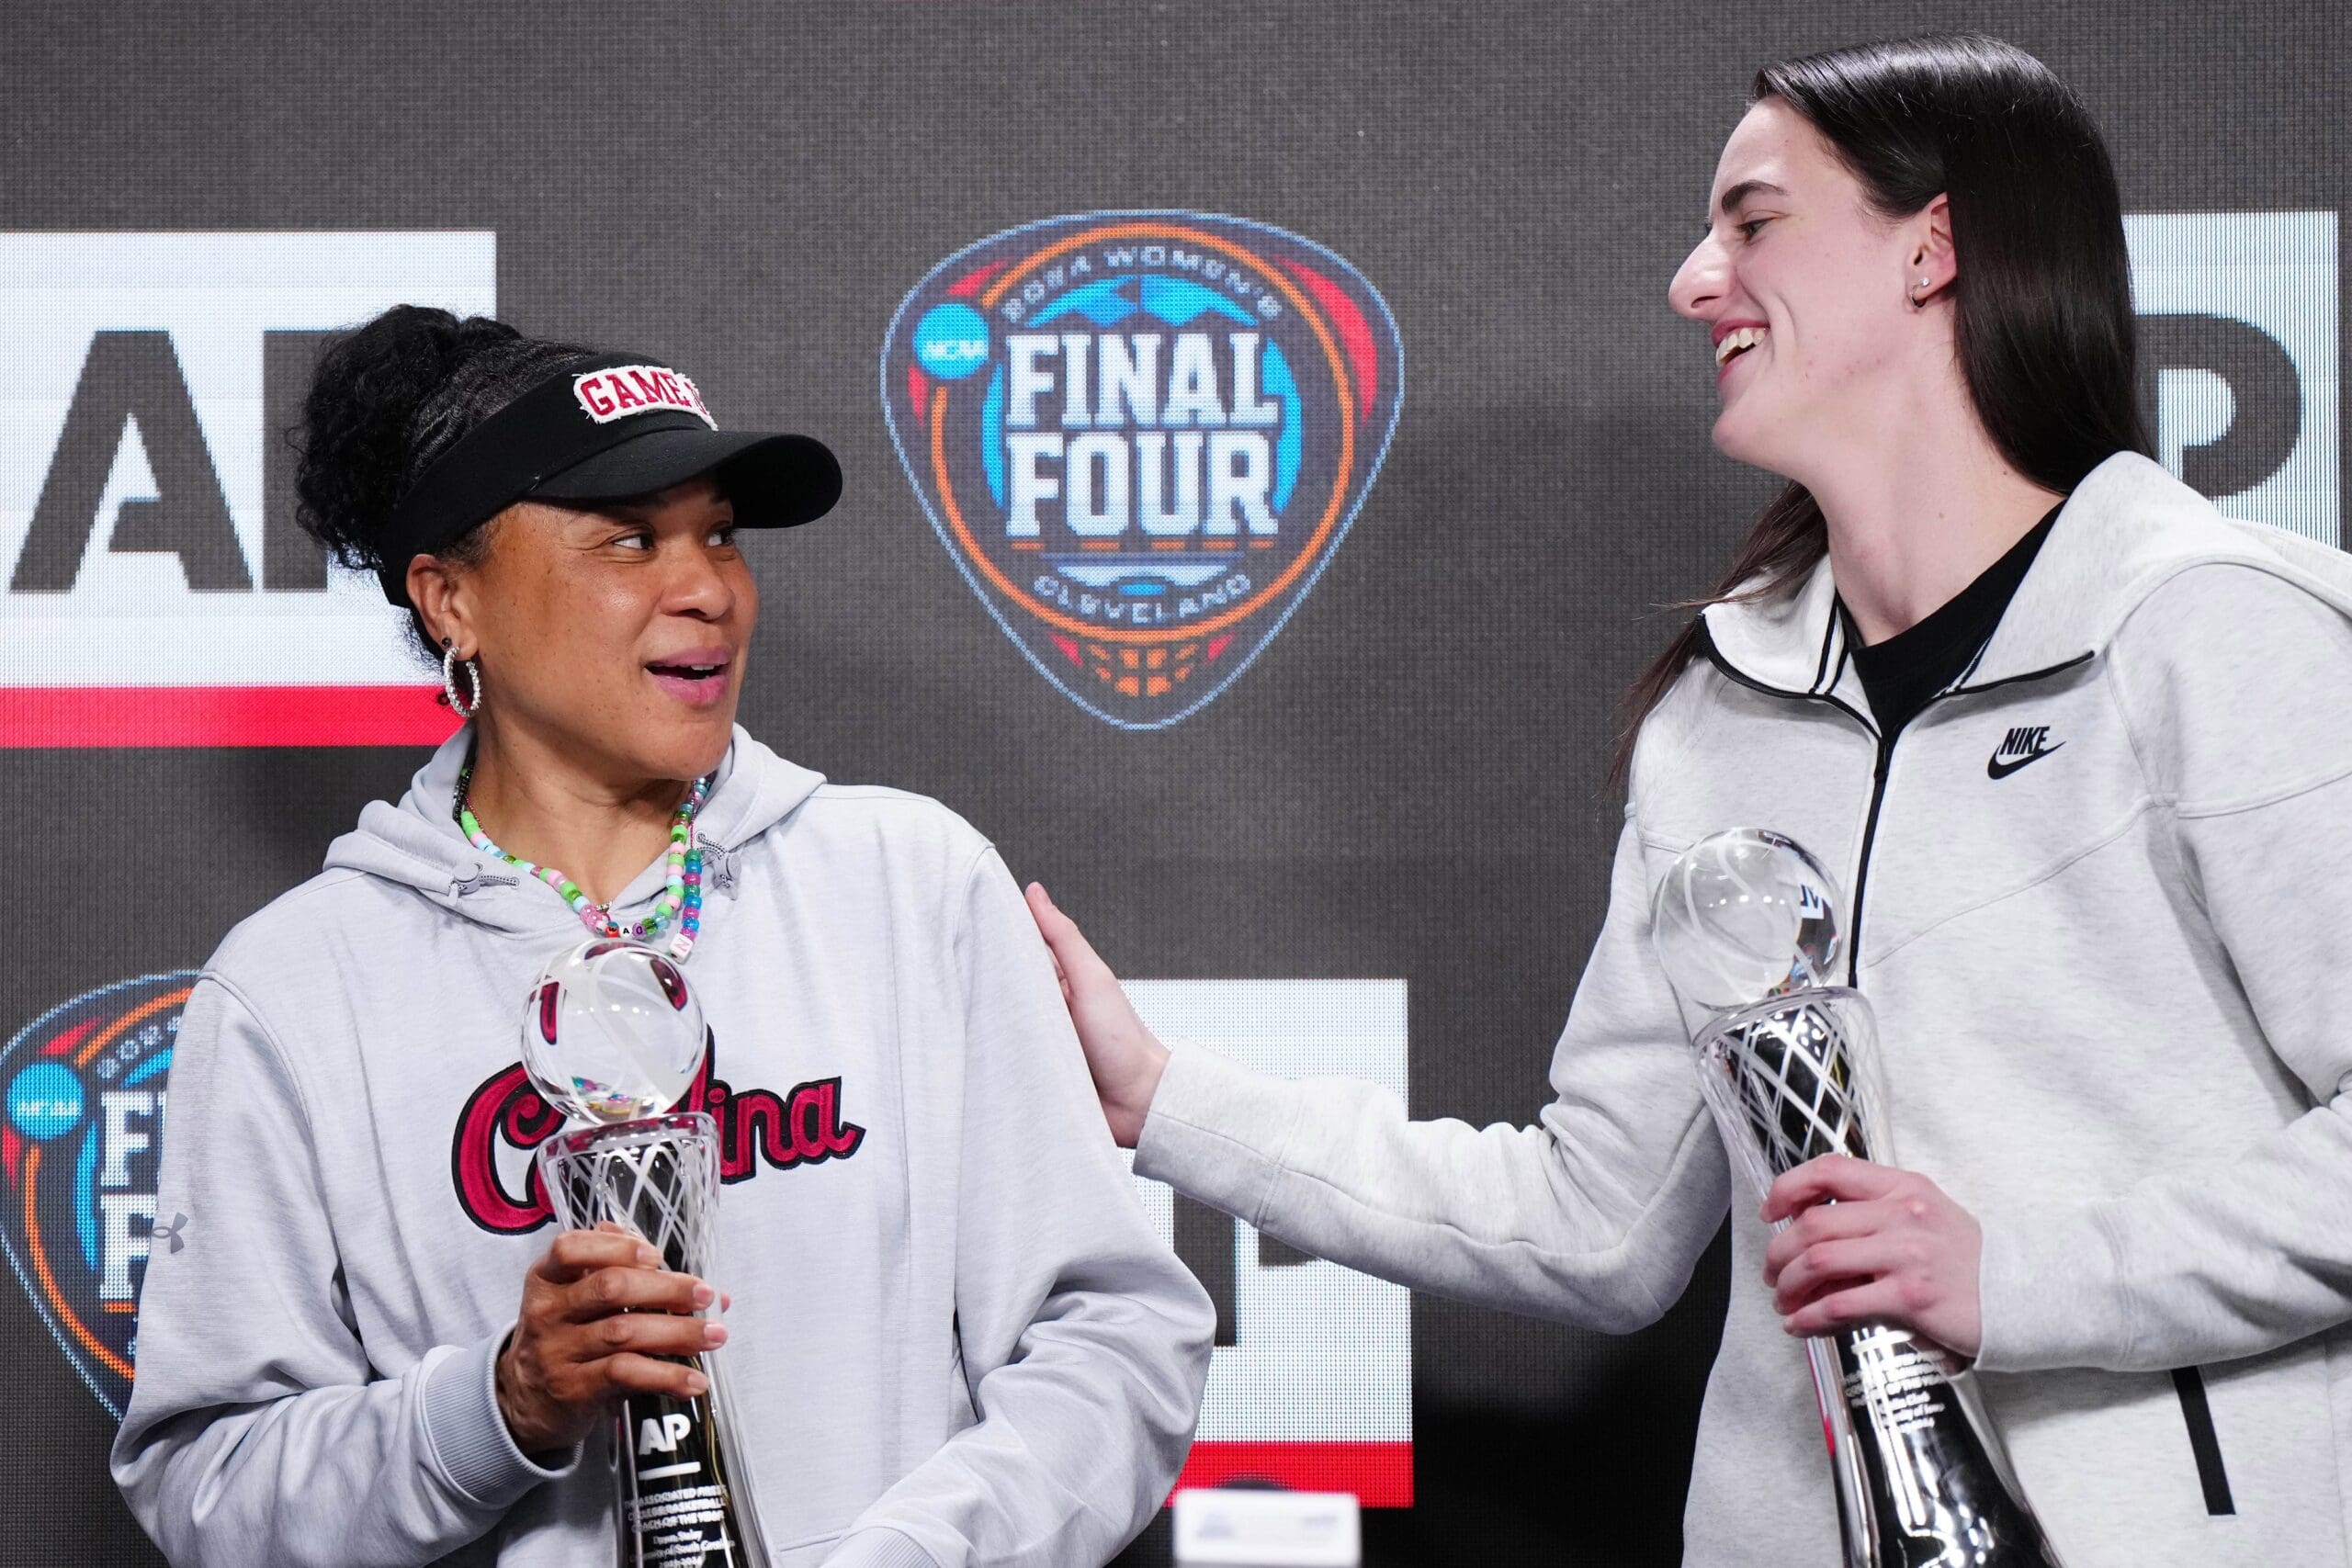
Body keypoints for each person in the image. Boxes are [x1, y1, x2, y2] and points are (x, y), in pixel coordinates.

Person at [1025, 33, 2352, 1568]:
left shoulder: (2218, 628)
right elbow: (1603, 1219)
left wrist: (2027, 1276)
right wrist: (1160, 1097)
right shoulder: (1716, 713)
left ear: (1936, 246)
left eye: (1753, 219)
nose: (1692, 279)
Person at [110, 307, 1214, 1568]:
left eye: (721, 538)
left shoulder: (909, 885)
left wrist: (914, 1556)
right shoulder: (296, 987)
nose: (705, 590)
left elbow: (1113, 1339)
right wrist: (498, 1405)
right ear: (451, 596)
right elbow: (211, 1485)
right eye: (630, 539)